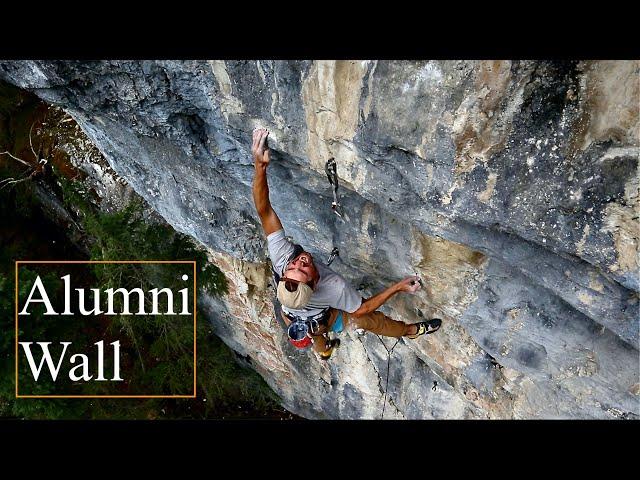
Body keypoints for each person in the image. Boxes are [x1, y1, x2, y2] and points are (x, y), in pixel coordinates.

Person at [251, 128, 441, 360]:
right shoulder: (333, 287)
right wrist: (397, 287)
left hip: (296, 314)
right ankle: (409, 331)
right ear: (314, 283)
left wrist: (260, 166)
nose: (299, 262)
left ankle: (324, 350)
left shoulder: (283, 259)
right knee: (364, 322)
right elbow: (361, 309)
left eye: (293, 268)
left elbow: (264, 211)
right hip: (321, 318)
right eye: (303, 269)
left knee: (313, 334)